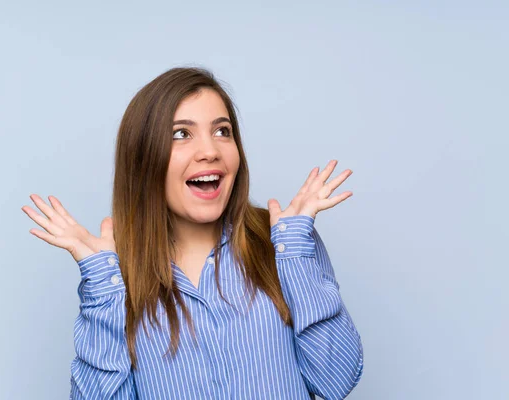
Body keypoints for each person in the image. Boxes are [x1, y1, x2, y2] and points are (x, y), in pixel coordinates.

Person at [22, 67, 364, 399]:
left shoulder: (284, 242)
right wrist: (101, 289)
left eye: (222, 131)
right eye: (181, 133)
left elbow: (336, 381)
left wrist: (295, 253)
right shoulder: (115, 279)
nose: (210, 151)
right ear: (144, 159)